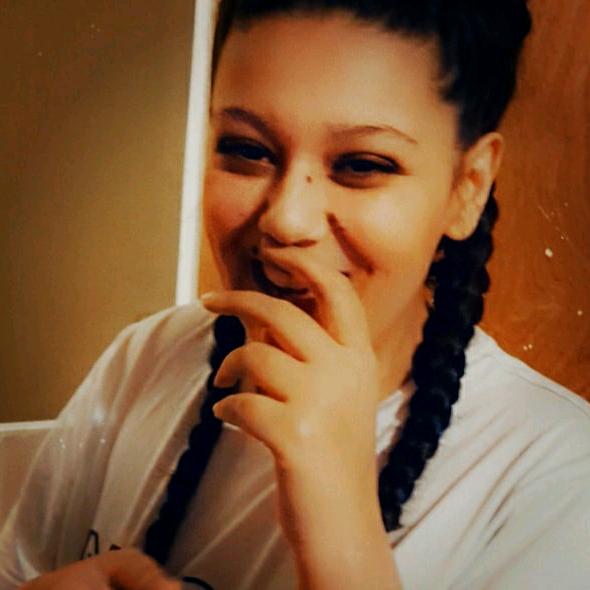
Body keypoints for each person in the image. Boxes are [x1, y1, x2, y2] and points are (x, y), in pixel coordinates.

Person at [2, 0, 589, 588]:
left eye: (362, 164)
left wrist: (342, 530)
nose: (286, 219)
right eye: (247, 149)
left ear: (468, 187)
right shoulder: (149, 358)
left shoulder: (557, 474)